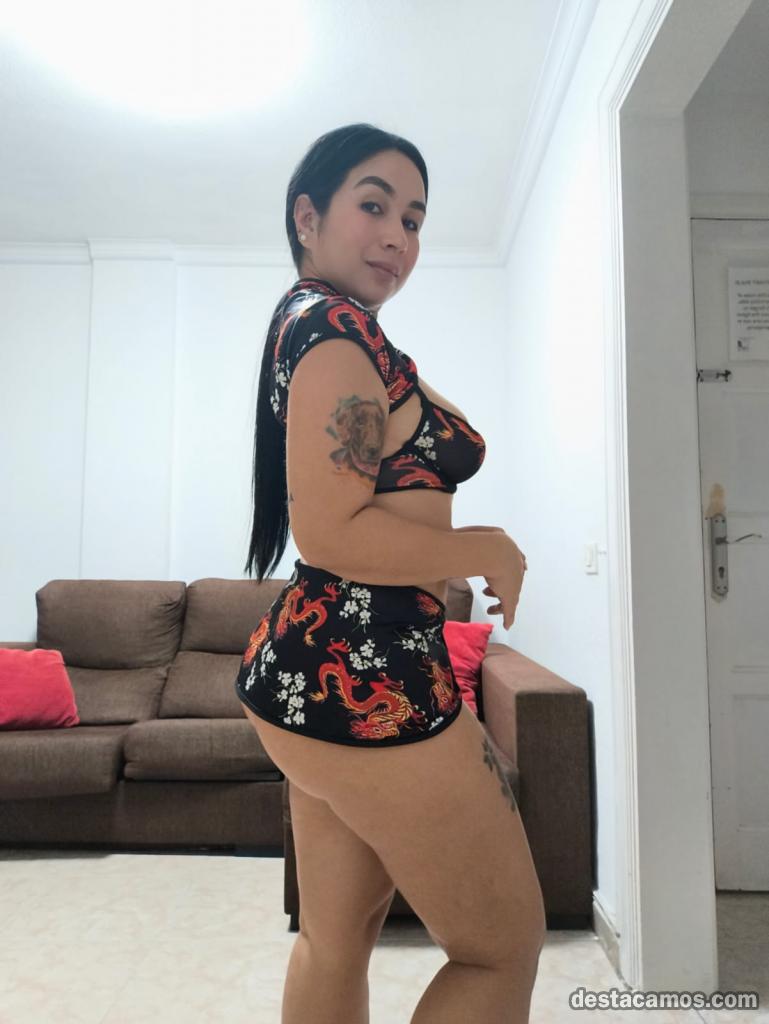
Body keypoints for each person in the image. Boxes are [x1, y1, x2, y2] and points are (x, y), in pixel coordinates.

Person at [235, 122, 545, 1024]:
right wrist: (486, 548)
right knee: (501, 950)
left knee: (333, 940)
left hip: (309, 673)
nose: (396, 237)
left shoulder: (329, 325)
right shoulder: (333, 329)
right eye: (372, 206)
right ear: (307, 217)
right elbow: (332, 531)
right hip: (370, 679)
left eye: (412, 219)